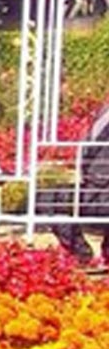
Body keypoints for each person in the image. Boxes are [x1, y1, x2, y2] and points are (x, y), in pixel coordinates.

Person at [44, 105, 109, 264]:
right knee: (48, 198)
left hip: (101, 187)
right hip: (94, 186)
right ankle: (82, 253)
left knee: (49, 199)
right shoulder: (104, 111)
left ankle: (85, 253)